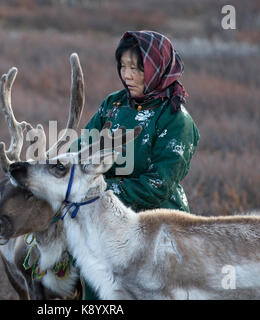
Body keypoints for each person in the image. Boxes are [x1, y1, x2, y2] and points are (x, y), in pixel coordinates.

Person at [72, 30, 200, 299]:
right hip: (105, 223)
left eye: (137, 68)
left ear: (156, 68)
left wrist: (100, 191)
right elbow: (82, 148)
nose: (127, 75)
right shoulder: (114, 104)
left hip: (157, 228)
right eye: (123, 66)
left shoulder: (176, 119)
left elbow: (158, 185)